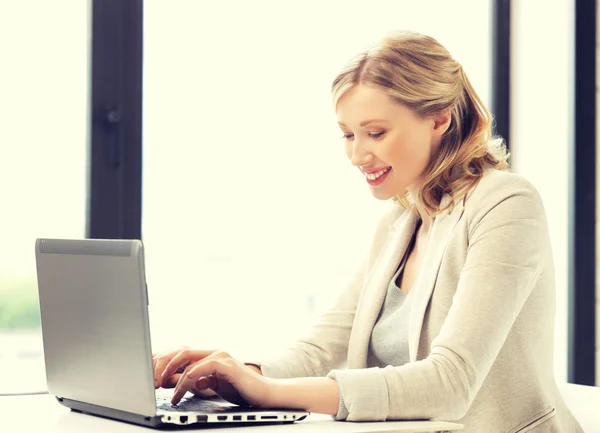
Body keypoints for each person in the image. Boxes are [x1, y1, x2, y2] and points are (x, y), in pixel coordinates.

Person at [152, 31, 584, 432]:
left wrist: (270, 394)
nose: (357, 155)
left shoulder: (506, 203)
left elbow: (451, 381)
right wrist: (234, 373)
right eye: (347, 134)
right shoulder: (398, 224)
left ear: (439, 119)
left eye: (375, 133)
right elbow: (323, 349)